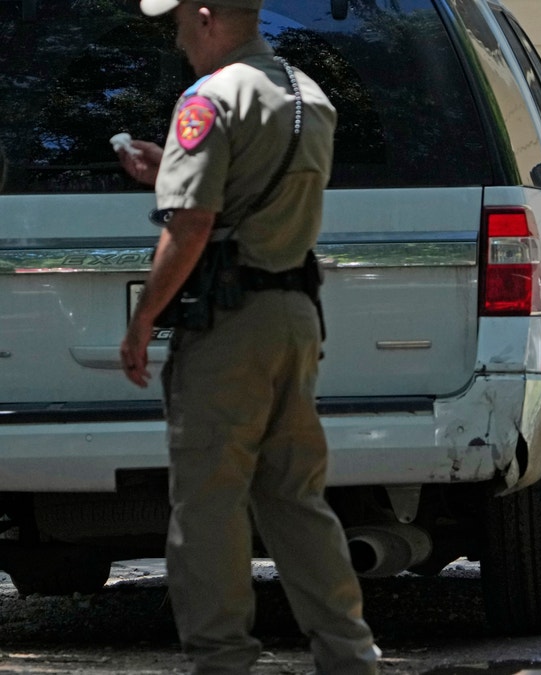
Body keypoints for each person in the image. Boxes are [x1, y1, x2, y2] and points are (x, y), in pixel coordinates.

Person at [116, 1, 380, 672]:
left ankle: (223, 659)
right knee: (295, 495)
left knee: (208, 502)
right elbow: (246, 191)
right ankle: (350, 655)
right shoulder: (307, 95)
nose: (176, 37)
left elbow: (192, 226)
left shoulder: (209, 98)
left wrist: (144, 318)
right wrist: (168, 170)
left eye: (177, 20)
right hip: (292, 317)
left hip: (227, 326)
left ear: (206, 17)